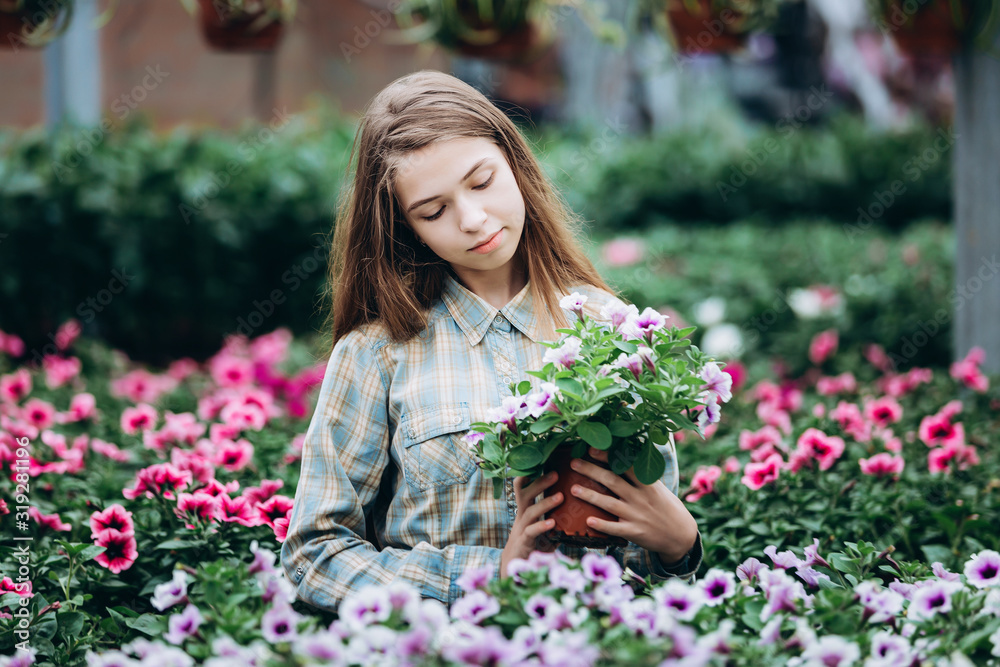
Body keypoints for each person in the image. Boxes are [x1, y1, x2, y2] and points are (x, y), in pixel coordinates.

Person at [280, 69, 703, 615]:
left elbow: (647, 575)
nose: (473, 219)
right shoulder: (376, 352)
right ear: (405, 226)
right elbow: (315, 552)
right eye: (434, 211)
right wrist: (487, 578)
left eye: (482, 182)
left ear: (515, 164)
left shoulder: (609, 328)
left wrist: (679, 546)